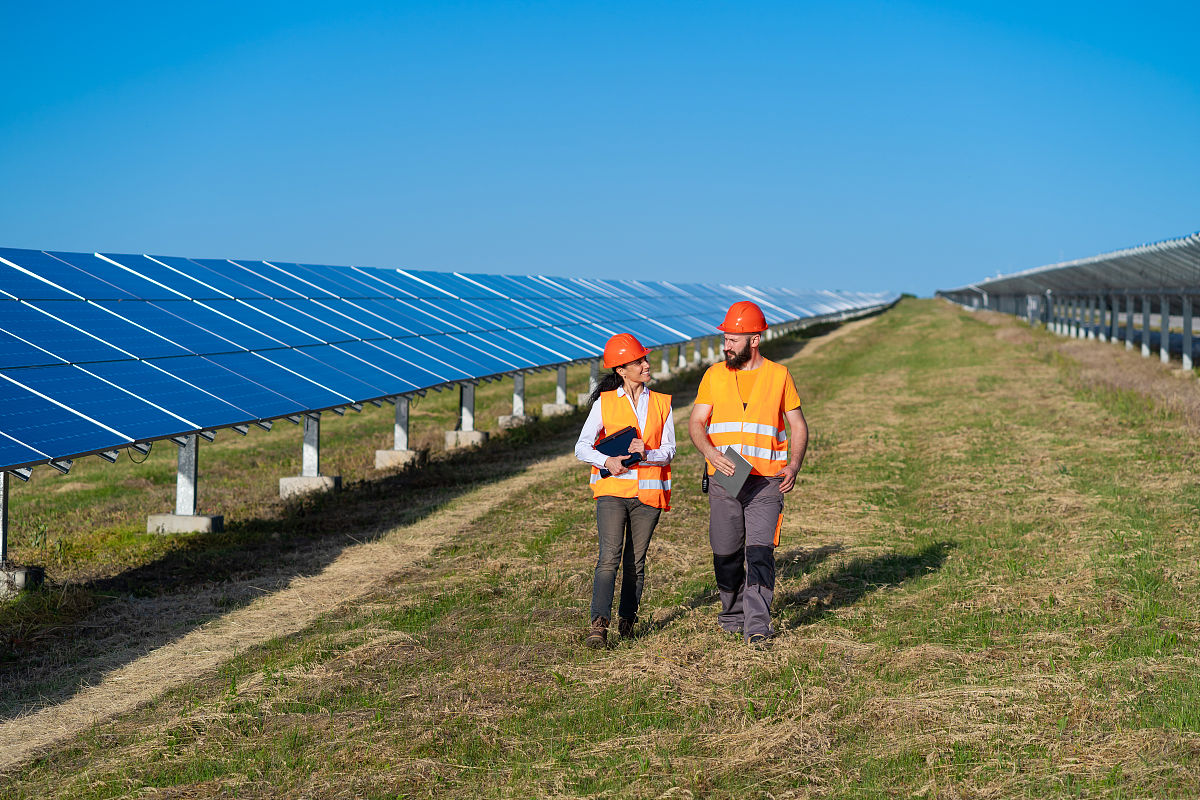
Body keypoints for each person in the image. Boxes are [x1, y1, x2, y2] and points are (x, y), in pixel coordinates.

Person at [688, 300, 808, 646]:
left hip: (766, 482)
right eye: (725, 339)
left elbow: (798, 425)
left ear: (754, 340)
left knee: (759, 553)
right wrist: (710, 453)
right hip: (725, 479)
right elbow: (696, 423)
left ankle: (758, 625)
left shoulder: (780, 375)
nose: (726, 345)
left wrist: (794, 464)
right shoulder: (713, 375)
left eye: (732, 339)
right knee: (726, 554)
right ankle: (731, 615)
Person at [575, 333, 676, 649]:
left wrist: (647, 452)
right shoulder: (605, 403)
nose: (647, 365)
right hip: (612, 493)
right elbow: (581, 447)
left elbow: (670, 449)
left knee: (636, 562)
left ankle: (627, 621)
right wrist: (608, 459)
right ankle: (598, 626)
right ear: (622, 369)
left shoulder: (661, 402)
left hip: (647, 496)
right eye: (640, 361)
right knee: (609, 558)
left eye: (645, 360)